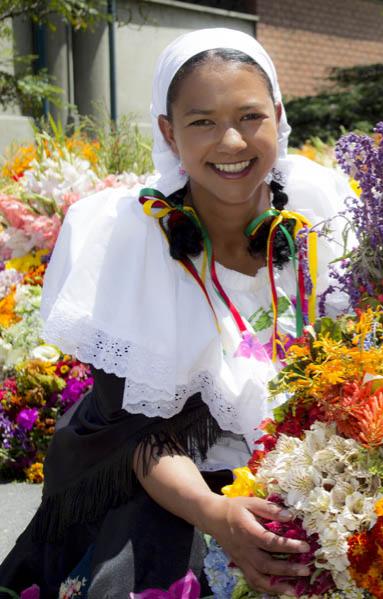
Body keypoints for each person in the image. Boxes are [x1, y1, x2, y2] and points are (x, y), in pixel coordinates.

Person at [0, 29, 352, 598]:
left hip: (319, 475)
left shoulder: (322, 209)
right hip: (178, 489)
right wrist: (217, 517)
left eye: (250, 116)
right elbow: (137, 439)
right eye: (202, 122)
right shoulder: (126, 239)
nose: (232, 142)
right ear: (168, 132)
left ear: (279, 116)